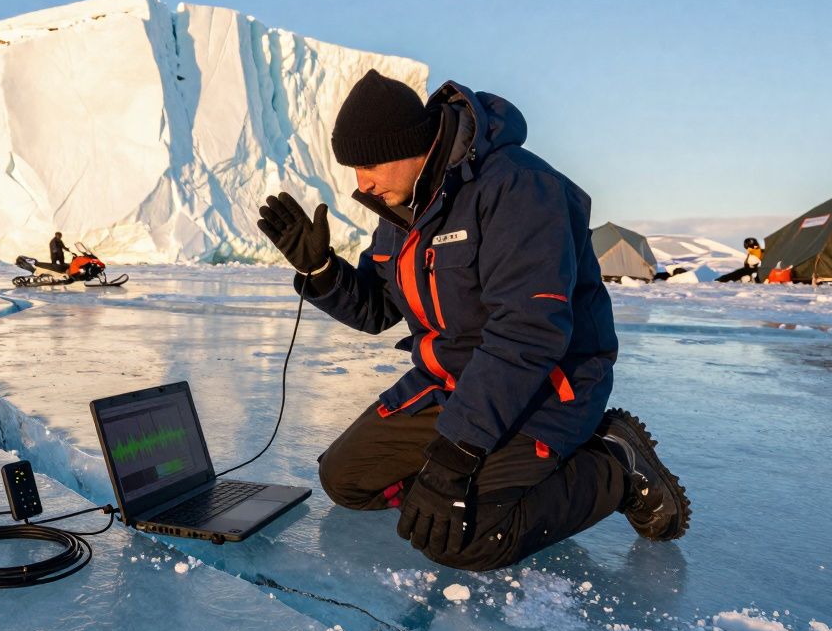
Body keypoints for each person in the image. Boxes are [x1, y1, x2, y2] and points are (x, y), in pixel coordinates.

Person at [256, 70, 689, 571]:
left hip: (544, 389)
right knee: (347, 479)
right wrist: (321, 271)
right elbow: (377, 311)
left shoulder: (520, 189)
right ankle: (486, 471)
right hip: (452, 385)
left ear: (411, 144)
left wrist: (454, 456)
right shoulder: (404, 210)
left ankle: (613, 465)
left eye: (369, 164)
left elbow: (528, 333)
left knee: (463, 539)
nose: (363, 184)